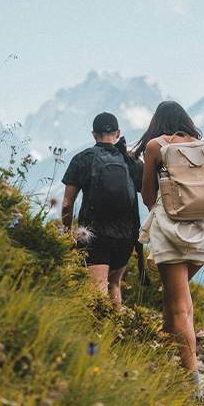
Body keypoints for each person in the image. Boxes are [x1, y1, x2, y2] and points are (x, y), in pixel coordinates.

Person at [134, 101, 204, 397]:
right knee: (174, 297)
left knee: (179, 303)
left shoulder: (156, 146)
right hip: (202, 231)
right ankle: (168, 352)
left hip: (170, 230)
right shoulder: (202, 146)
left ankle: (192, 378)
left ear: (156, 122)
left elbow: (147, 194)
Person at [61, 112, 143, 309]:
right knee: (114, 285)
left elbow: (66, 203)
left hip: (93, 235)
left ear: (93, 134)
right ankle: (114, 334)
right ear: (118, 133)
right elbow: (148, 195)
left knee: (97, 288)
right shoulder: (132, 162)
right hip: (125, 235)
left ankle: (96, 336)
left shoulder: (83, 159)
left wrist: (67, 232)